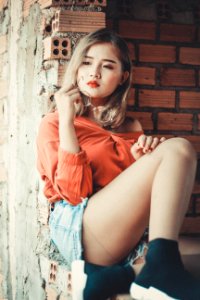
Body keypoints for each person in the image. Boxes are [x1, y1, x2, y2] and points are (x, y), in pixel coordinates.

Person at [36, 28, 200, 300]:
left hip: (123, 237)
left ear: (122, 77)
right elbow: (74, 194)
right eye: (87, 62)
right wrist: (67, 120)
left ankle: (113, 278)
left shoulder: (131, 126)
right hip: (80, 231)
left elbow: (126, 201)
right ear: (76, 68)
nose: (94, 73)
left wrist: (140, 165)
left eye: (107, 65)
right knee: (179, 148)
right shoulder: (54, 122)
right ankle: (157, 273)